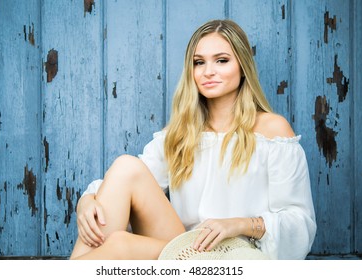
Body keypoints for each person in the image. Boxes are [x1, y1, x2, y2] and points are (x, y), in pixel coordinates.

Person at [69, 19, 317, 260]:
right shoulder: (182, 131)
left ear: (243, 67)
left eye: (221, 60)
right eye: (199, 63)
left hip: (238, 254)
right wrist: (85, 202)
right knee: (126, 167)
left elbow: (299, 222)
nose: (208, 71)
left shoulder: (272, 130)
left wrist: (238, 225)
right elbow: (124, 182)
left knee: (122, 245)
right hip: (187, 248)